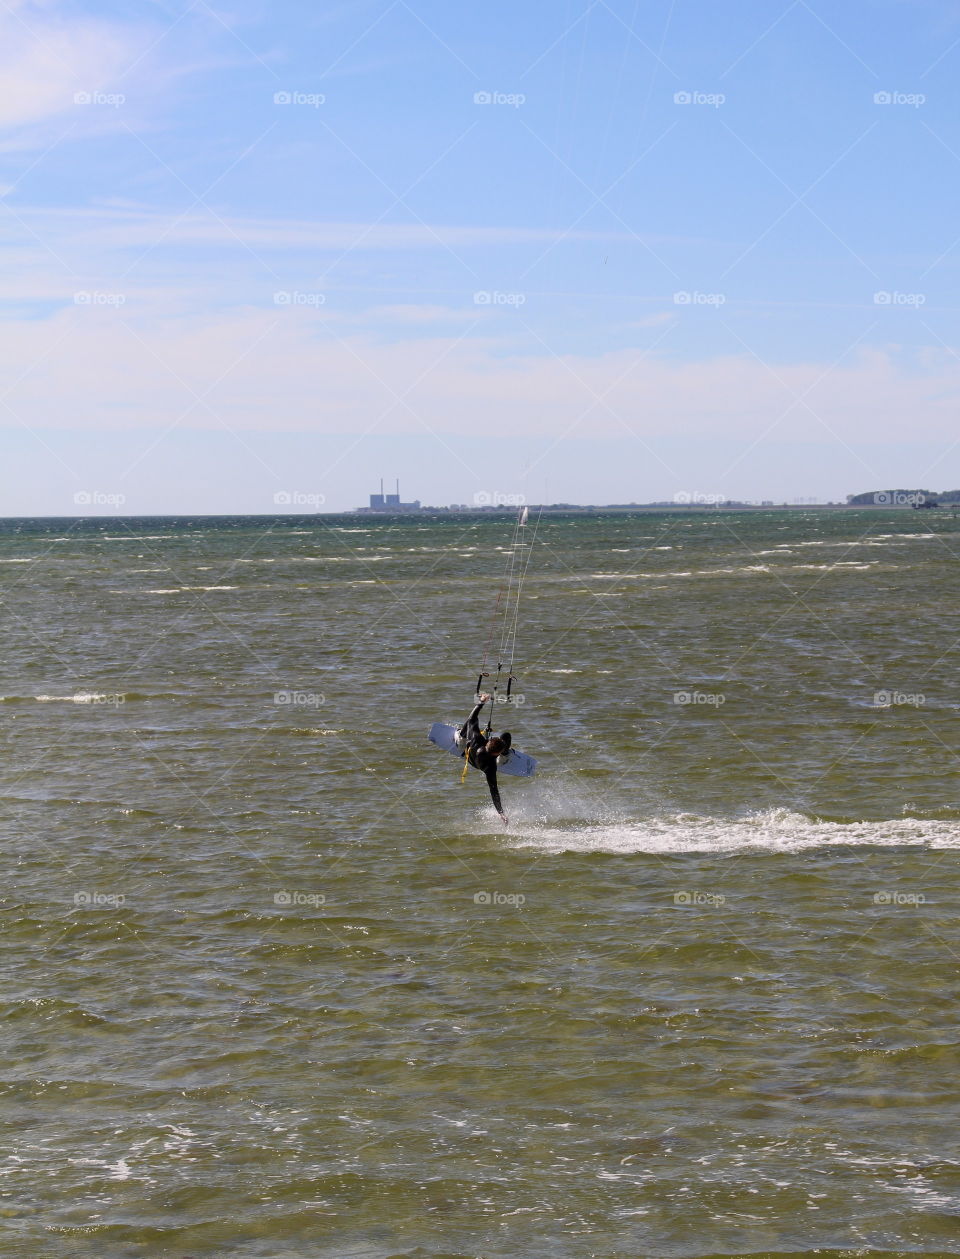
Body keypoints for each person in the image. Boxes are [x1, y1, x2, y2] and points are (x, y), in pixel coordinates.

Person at [457, 693, 513, 823]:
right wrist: (501, 814)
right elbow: (494, 791)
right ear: (497, 754)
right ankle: (506, 757)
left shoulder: (478, 739)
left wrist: (481, 702)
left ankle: (461, 736)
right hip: (479, 763)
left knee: (471, 722)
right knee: (506, 735)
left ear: (488, 742)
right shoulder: (491, 767)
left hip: (469, 753)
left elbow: (472, 719)